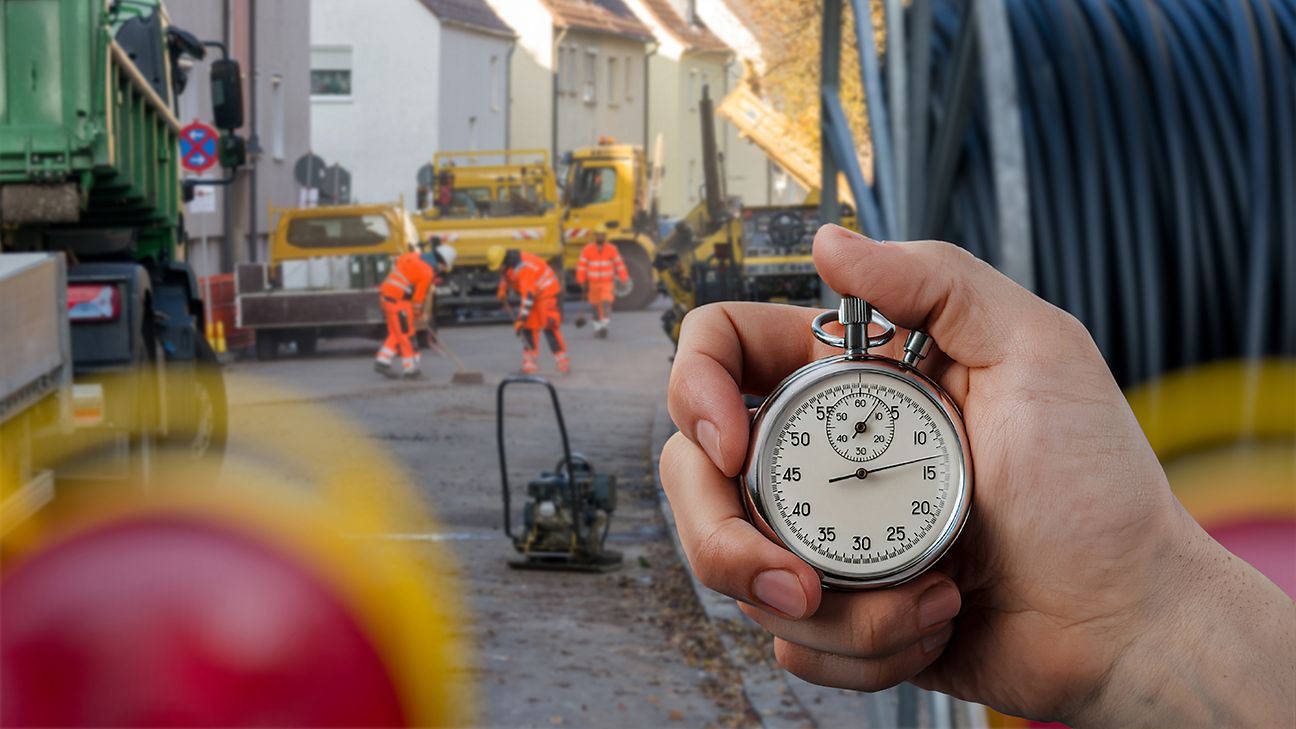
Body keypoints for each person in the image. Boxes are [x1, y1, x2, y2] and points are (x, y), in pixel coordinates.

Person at [659, 225, 1295, 727]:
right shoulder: (843, 409)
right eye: (850, 467)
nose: (859, 471)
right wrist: (1134, 634)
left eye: (877, 462)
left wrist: (1139, 618)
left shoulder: (953, 411)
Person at [487, 245, 570, 374]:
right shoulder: (509, 264)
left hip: (546, 292)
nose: (498, 270)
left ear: (504, 261)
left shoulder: (524, 269)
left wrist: (521, 319)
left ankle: (562, 361)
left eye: (499, 267)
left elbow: (527, 297)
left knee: (549, 326)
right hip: (533, 292)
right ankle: (530, 362)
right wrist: (502, 288)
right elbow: (505, 275)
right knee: (529, 327)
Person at [374, 243, 446, 379]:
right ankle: (410, 371)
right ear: (439, 262)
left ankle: (382, 361)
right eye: (443, 267)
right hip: (398, 300)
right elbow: (418, 299)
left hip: (388, 296)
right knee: (406, 335)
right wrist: (419, 314)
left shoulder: (415, 256)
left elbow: (401, 263)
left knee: (397, 333)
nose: (441, 271)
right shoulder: (427, 272)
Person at [575, 224, 629, 338]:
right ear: (595, 236)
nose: (600, 237)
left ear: (605, 236)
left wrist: (623, 278)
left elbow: (619, 265)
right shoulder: (587, 250)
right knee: (595, 306)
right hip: (593, 283)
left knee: (606, 302)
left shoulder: (612, 249)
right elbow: (582, 266)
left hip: (607, 282)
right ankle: (598, 327)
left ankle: (604, 325)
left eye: (602, 235)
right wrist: (581, 280)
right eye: (598, 235)